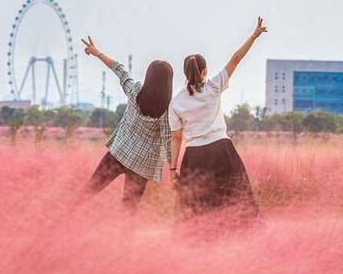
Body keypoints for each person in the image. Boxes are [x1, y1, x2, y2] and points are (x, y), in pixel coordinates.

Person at [168, 17, 267, 219]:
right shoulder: (213, 87)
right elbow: (236, 59)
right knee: (237, 199)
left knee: (195, 208)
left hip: (195, 156)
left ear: (185, 73)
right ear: (204, 72)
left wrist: (172, 168)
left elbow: (176, 138)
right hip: (221, 151)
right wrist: (254, 36)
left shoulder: (176, 102)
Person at [80, 36, 173, 209]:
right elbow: (168, 141)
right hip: (142, 167)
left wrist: (97, 52)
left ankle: (59, 221)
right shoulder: (167, 110)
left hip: (119, 153)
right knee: (129, 209)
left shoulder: (135, 90)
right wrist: (174, 168)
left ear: (148, 76)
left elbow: (120, 70)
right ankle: (122, 237)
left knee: (88, 191)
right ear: (169, 82)